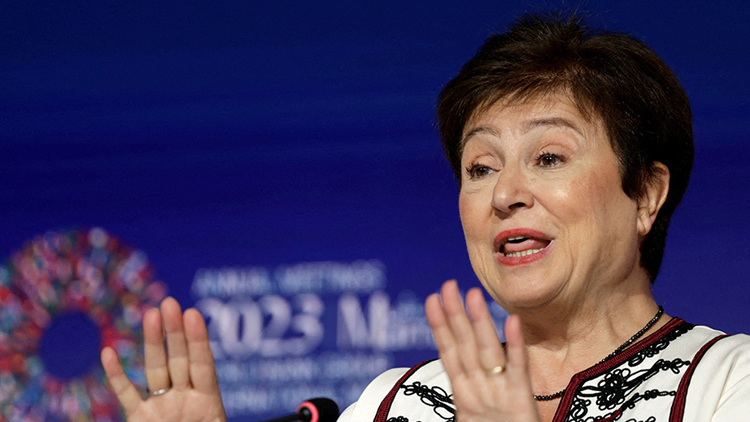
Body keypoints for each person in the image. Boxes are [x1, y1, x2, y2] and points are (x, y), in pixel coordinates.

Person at [101, 12, 750, 422]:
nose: (505, 193)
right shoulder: (393, 403)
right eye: (480, 167)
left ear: (646, 194)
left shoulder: (727, 383)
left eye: (549, 157)